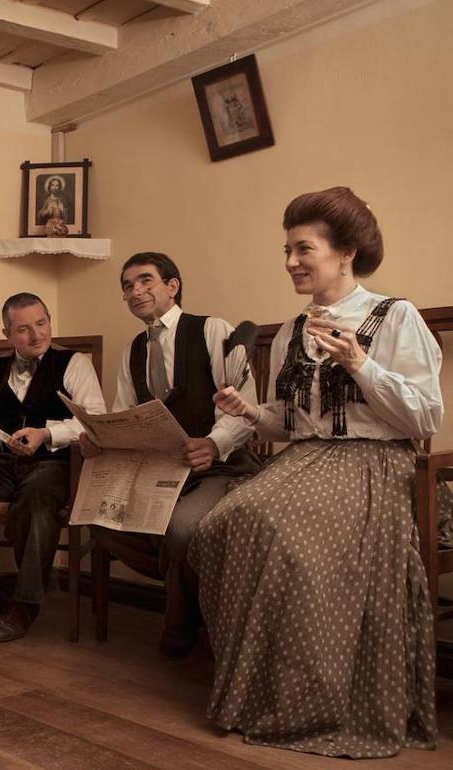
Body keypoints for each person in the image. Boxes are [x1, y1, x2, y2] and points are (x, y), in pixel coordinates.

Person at [190, 187, 440, 758]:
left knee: (284, 531)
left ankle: (317, 700)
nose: (291, 262)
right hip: (306, 460)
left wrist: (360, 363)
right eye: (287, 250)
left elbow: (424, 415)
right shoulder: (291, 331)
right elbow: (290, 421)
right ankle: (259, 691)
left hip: (374, 463)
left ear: (345, 252)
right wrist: (251, 412)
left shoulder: (394, 316)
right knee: (222, 524)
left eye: (304, 248)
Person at [79, 253, 260, 658]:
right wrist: (99, 439)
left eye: (145, 280)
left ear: (172, 286)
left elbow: (245, 408)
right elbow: (124, 418)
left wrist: (214, 444)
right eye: (127, 286)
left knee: (181, 530)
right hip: (162, 470)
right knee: (101, 522)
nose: (135, 291)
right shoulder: (133, 351)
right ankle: (191, 593)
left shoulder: (212, 330)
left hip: (220, 468)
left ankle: (179, 624)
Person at [0, 293, 106, 642]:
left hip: (52, 463)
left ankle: (25, 603)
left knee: (38, 503)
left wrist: (48, 433)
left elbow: (95, 421)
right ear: (8, 333)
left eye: (41, 324)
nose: (36, 335)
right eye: (24, 329)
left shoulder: (74, 364)